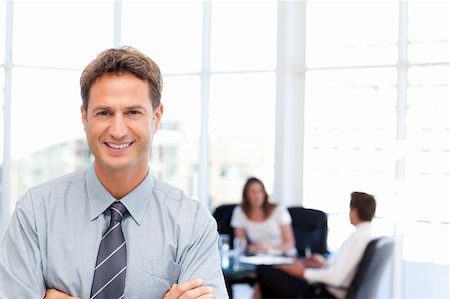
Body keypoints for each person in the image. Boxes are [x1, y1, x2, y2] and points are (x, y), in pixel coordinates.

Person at [0, 47, 228, 299]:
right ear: (85, 117)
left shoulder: (193, 224)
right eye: (104, 113)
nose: (118, 130)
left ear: (156, 117)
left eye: (133, 112)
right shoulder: (35, 213)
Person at [256, 191, 377, 299]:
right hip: (328, 289)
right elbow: (346, 269)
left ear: (354, 211)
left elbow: (336, 278)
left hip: (323, 294)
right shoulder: (368, 237)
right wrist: (324, 264)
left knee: (265, 271)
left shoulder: (355, 239)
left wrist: (303, 273)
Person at [231, 177, 296, 299]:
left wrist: (271, 249)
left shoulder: (278, 210)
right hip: (259, 258)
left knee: (261, 284)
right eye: (253, 192)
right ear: (246, 195)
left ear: (264, 193)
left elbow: (290, 242)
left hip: (283, 256)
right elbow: (240, 242)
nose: (257, 195)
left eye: (260, 191)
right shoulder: (240, 211)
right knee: (261, 279)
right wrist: (252, 248)